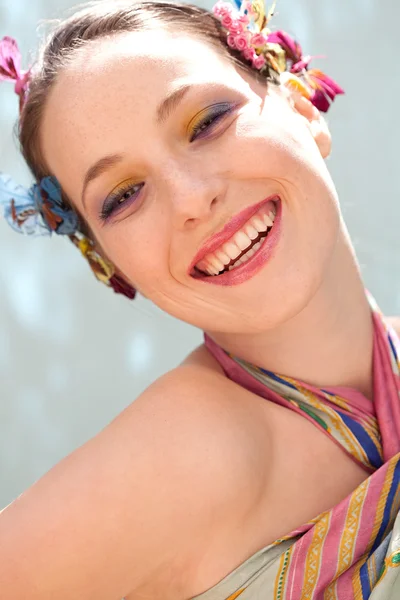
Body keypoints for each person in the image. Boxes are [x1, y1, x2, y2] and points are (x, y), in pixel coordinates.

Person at [0, 0, 399, 598]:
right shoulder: (185, 454)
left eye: (207, 121)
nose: (191, 199)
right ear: (109, 261)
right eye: (124, 195)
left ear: (301, 106)